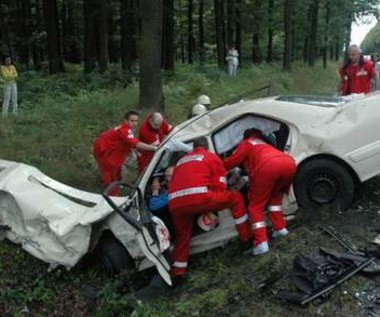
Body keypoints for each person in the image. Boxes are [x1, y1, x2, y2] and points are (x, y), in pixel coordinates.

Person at [168, 136, 251, 278]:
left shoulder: (181, 161)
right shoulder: (211, 157)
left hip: (175, 204)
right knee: (236, 198)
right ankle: (246, 239)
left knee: (183, 235)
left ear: (193, 147)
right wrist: (214, 206)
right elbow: (220, 185)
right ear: (207, 147)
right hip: (199, 197)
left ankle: (178, 271)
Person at [223, 128, 296, 256]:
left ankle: (261, 243)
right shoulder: (263, 143)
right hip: (288, 163)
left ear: (246, 137)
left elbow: (232, 161)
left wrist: (218, 166)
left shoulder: (247, 143)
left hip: (268, 167)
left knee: (255, 207)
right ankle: (280, 228)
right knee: (275, 199)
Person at [93, 110, 157, 196]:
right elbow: (137, 144)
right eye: (132, 121)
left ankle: (114, 191)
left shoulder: (126, 129)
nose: (135, 123)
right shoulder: (125, 130)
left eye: (136, 121)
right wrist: (155, 148)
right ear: (126, 121)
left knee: (116, 173)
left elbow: (130, 143)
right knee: (110, 175)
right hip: (104, 153)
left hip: (107, 151)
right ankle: (112, 197)